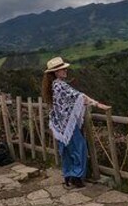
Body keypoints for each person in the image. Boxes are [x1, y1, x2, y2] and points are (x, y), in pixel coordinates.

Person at [42, 57, 110, 189]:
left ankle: (68, 175)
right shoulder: (60, 85)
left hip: (60, 124)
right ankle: (77, 176)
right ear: (55, 72)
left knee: (67, 150)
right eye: (62, 69)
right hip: (67, 125)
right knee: (79, 147)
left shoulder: (53, 85)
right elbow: (78, 96)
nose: (65, 70)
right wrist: (97, 104)